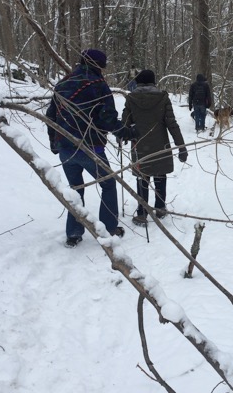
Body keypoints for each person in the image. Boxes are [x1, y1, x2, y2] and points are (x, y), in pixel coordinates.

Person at [46, 49, 136, 247]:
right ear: (98, 65)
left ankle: (74, 234)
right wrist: (125, 132)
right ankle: (109, 228)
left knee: (75, 189)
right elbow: (107, 118)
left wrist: (55, 142)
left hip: (65, 147)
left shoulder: (63, 82)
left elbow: (51, 115)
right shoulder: (98, 85)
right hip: (90, 146)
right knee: (108, 183)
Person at [121, 69, 188, 225]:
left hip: (140, 145)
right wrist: (181, 146)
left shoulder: (131, 98)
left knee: (142, 177)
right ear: (153, 82)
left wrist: (123, 135)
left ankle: (142, 212)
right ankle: (160, 208)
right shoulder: (163, 98)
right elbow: (172, 124)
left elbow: (125, 123)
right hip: (160, 145)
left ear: (137, 82)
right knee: (160, 175)